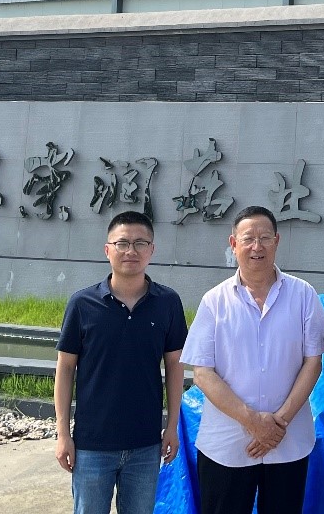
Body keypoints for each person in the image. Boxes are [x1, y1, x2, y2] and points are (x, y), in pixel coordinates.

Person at [182, 205, 324, 514]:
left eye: (265, 238)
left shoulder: (303, 295)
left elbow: (313, 362)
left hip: (288, 443)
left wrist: (278, 424)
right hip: (227, 446)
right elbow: (203, 373)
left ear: (277, 241)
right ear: (233, 243)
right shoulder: (214, 301)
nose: (256, 246)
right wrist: (253, 422)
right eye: (248, 238)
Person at [54, 210, 188, 514]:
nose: (131, 251)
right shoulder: (82, 304)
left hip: (145, 444)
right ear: (107, 250)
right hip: (91, 445)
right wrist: (63, 434)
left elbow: (175, 366)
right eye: (122, 243)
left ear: (152, 250)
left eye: (140, 243)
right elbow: (65, 369)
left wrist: (172, 426)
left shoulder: (167, 303)